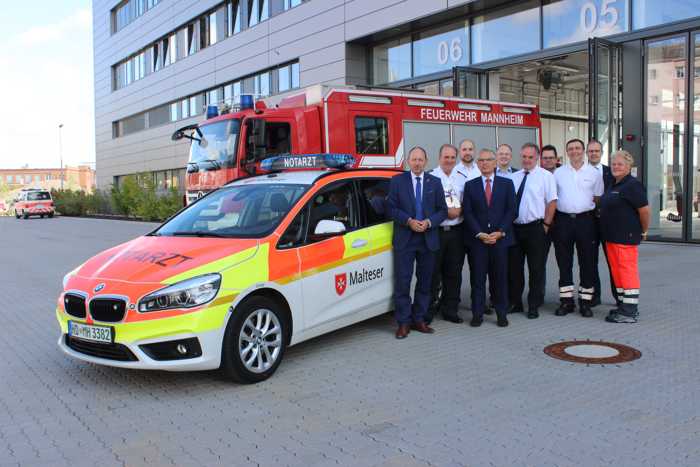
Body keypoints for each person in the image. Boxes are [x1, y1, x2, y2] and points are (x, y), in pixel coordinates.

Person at [387, 146, 448, 339]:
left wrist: (429, 222)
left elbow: (443, 211)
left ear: (426, 161)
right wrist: (409, 221)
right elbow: (391, 208)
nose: (417, 163)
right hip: (405, 238)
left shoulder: (435, 182)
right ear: (408, 161)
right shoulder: (397, 181)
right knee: (403, 282)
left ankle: (419, 319)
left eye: (420, 160)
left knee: (425, 282)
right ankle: (403, 323)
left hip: (428, 239)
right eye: (414, 160)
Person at [462, 148, 515, 327]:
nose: (484, 163)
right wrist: (479, 233)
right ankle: (477, 314)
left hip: (500, 240)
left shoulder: (507, 184)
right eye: (481, 160)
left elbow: (511, 211)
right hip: (478, 241)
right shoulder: (470, 185)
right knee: (477, 279)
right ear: (477, 164)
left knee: (499, 279)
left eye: (488, 160)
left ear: (495, 163)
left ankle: (501, 313)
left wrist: (500, 232)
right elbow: (467, 213)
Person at [552, 138, 604, 317]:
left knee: (587, 262)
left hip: (586, 221)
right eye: (571, 149)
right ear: (567, 152)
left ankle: (585, 302)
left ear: (583, 151)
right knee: (564, 262)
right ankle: (566, 302)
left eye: (577, 148)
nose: (574, 151)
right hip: (563, 221)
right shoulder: (558, 173)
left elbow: (598, 198)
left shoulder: (594, 173)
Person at [599, 150, 650, 323]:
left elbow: (644, 211)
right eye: (613, 164)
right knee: (617, 271)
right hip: (611, 237)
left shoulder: (632, 185)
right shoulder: (614, 184)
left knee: (627, 271)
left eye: (620, 164)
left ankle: (629, 311)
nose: (616, 167)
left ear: (629, 166)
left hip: (625, 237)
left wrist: (644, 231)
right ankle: (622, 305)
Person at [508, 143, 557, 319]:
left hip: (536, 228)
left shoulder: (546, 177)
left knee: (536, 268)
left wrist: (545, 225)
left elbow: (552, 202)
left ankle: (533, 305)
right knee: (515, 269)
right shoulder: (513, 177)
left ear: (537, 158)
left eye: (530, 157)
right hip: (515, 229)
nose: (526, 160)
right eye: (524, 157)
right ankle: (516, 303)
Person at [427, 144, 467, 324]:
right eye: (446, 157)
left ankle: (450, 309)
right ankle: (428, 309)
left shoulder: (462, 178)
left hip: (456, 232)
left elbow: (469, 202)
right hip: (436, 231)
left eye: (452, 157)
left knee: (454, 273)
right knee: (433, 272)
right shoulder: (431, 177)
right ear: (439, 157)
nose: (449, 160)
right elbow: (426, 206)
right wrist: (446, 212)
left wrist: (460, 210)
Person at [587, 139, 617, 308]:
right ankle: (594, 296)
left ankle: (619, 296)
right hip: (588, 222)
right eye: (590, 151)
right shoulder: (581, 172)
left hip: (608, 224)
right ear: (587, 153)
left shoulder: (611, 172)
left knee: (613, 261)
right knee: (590, 262)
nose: (593, 154)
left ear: (601, 153)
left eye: (596, 151)